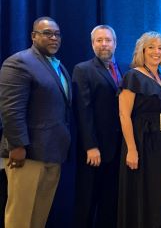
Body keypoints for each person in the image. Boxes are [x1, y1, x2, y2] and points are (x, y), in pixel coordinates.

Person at [0, 16, 72, 228]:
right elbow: (11, 109)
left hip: (52, 153)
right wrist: (18, 145)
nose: (53, 38)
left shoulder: (57, 66)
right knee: (20, 218)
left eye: (57, 34)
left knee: (39, 217)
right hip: (27, 155)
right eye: (47, 33)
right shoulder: (19, 62)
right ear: (33, 36)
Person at [117, 31, 161, 228]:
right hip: (141, 144)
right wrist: (132, 149)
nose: (156, 52)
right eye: (151, 47)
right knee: (142, 194)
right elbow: (124, 115)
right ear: (142, 50)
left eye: (160, 48)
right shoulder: (132, 76)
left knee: (160, 194)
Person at [72, 25, 123, 228]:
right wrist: (91, 146)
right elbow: (82, 111)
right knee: (87, 202)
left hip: (119, 150)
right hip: (95, 151)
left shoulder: (126, 69)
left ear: (115, 43)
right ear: (92, 44)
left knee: (110, 204)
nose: (104, 44)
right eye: (99, 40)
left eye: (108, 40)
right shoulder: (83, 70)